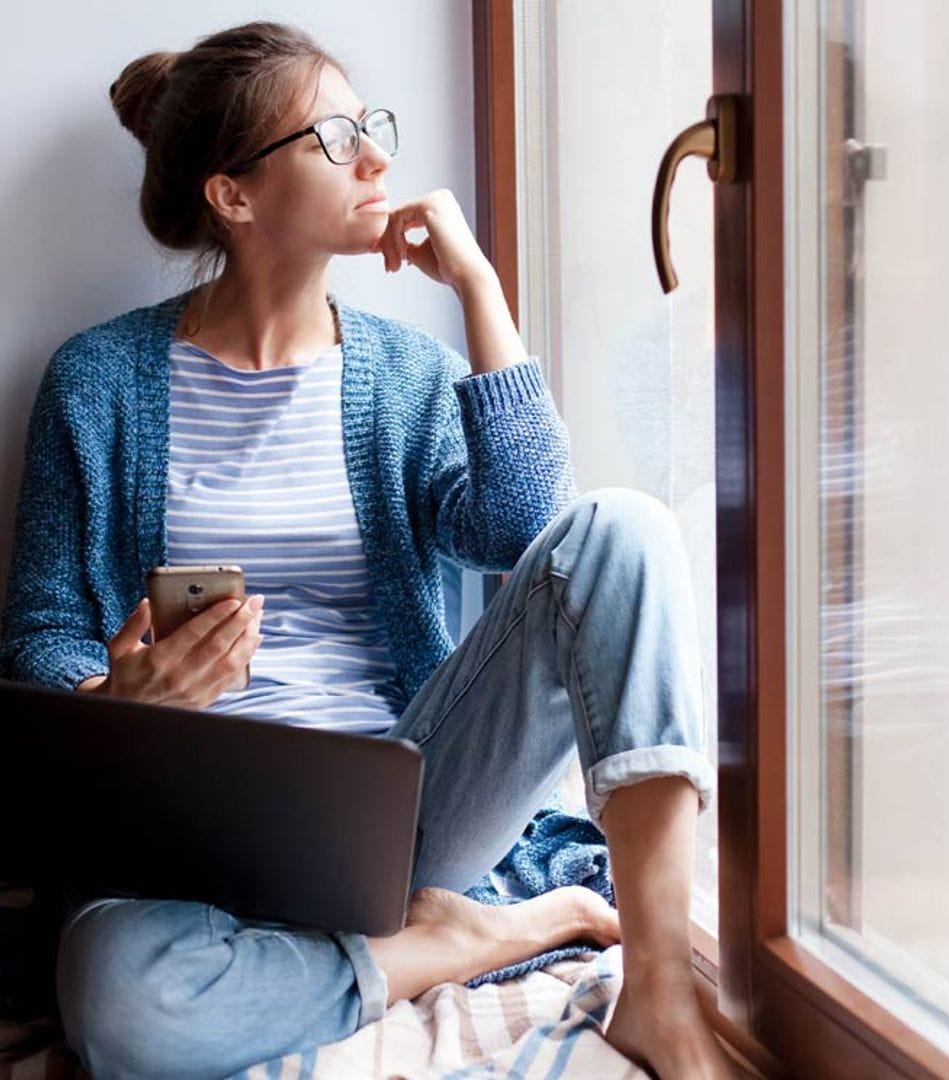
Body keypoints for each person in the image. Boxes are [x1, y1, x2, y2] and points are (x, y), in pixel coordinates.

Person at [0, 20, 737, 1080]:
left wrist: (478, 290)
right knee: (124, 1001)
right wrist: (120, 700)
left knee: (623, 529)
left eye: (371, 126)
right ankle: (458, 939)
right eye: (334, 137)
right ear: (235, 195)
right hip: (179, 835)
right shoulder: (96, 381)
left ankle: (662, 992)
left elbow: (531, 542)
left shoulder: (405, 375)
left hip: (402, 810)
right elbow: (40, 628)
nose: (376, 158)